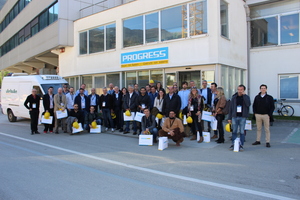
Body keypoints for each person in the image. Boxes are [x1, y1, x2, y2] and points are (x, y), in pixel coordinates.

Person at [228, 84, 251, 151]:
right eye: (238, 89)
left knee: (242, 132)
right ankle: (233, 144)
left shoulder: (246, 97)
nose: (239, 91)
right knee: (234, 131)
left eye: (241, 90)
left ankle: (241, 145)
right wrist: (229, 117)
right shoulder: (234, 97)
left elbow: (248, 104)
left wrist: (244, 96)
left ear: (244, 90)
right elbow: (231, 108)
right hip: (235, 116)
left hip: (242, 117)